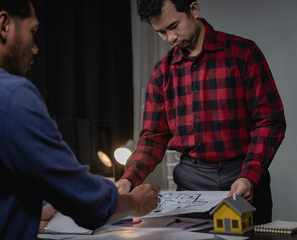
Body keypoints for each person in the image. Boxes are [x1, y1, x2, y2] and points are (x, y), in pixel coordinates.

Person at [0, 0, 161, 239]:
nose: (35, 48)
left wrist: (30, 213)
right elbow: (85, 201)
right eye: (32, 32)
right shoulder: (11, 95)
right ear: (4, 25)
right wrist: (133, 203)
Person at [116, 0, 286, 225]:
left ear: (193, 10)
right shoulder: (162, 72)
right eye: (161, 32)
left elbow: (269, 121)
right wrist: (129, 179)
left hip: (244, 176)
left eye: (174, 26)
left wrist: (249, 175)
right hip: (190, 188)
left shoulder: (242, 53)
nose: (171, 38)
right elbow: (153, 137)